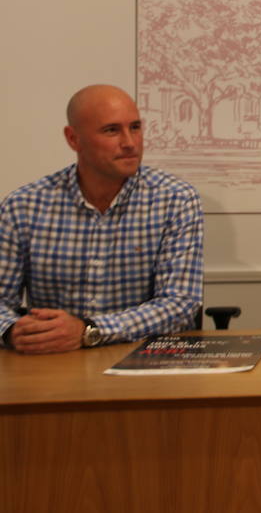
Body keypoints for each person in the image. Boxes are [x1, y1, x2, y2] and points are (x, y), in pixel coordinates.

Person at [0, 85, 203, 353]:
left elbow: (180, 305)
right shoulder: (24, 206)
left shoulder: (175, 199)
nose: (129, 143)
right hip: (52, 362)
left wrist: (90, 331)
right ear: (73, 139)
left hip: (143, 360)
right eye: (111, 130)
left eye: (135, 127)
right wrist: (14, 331)